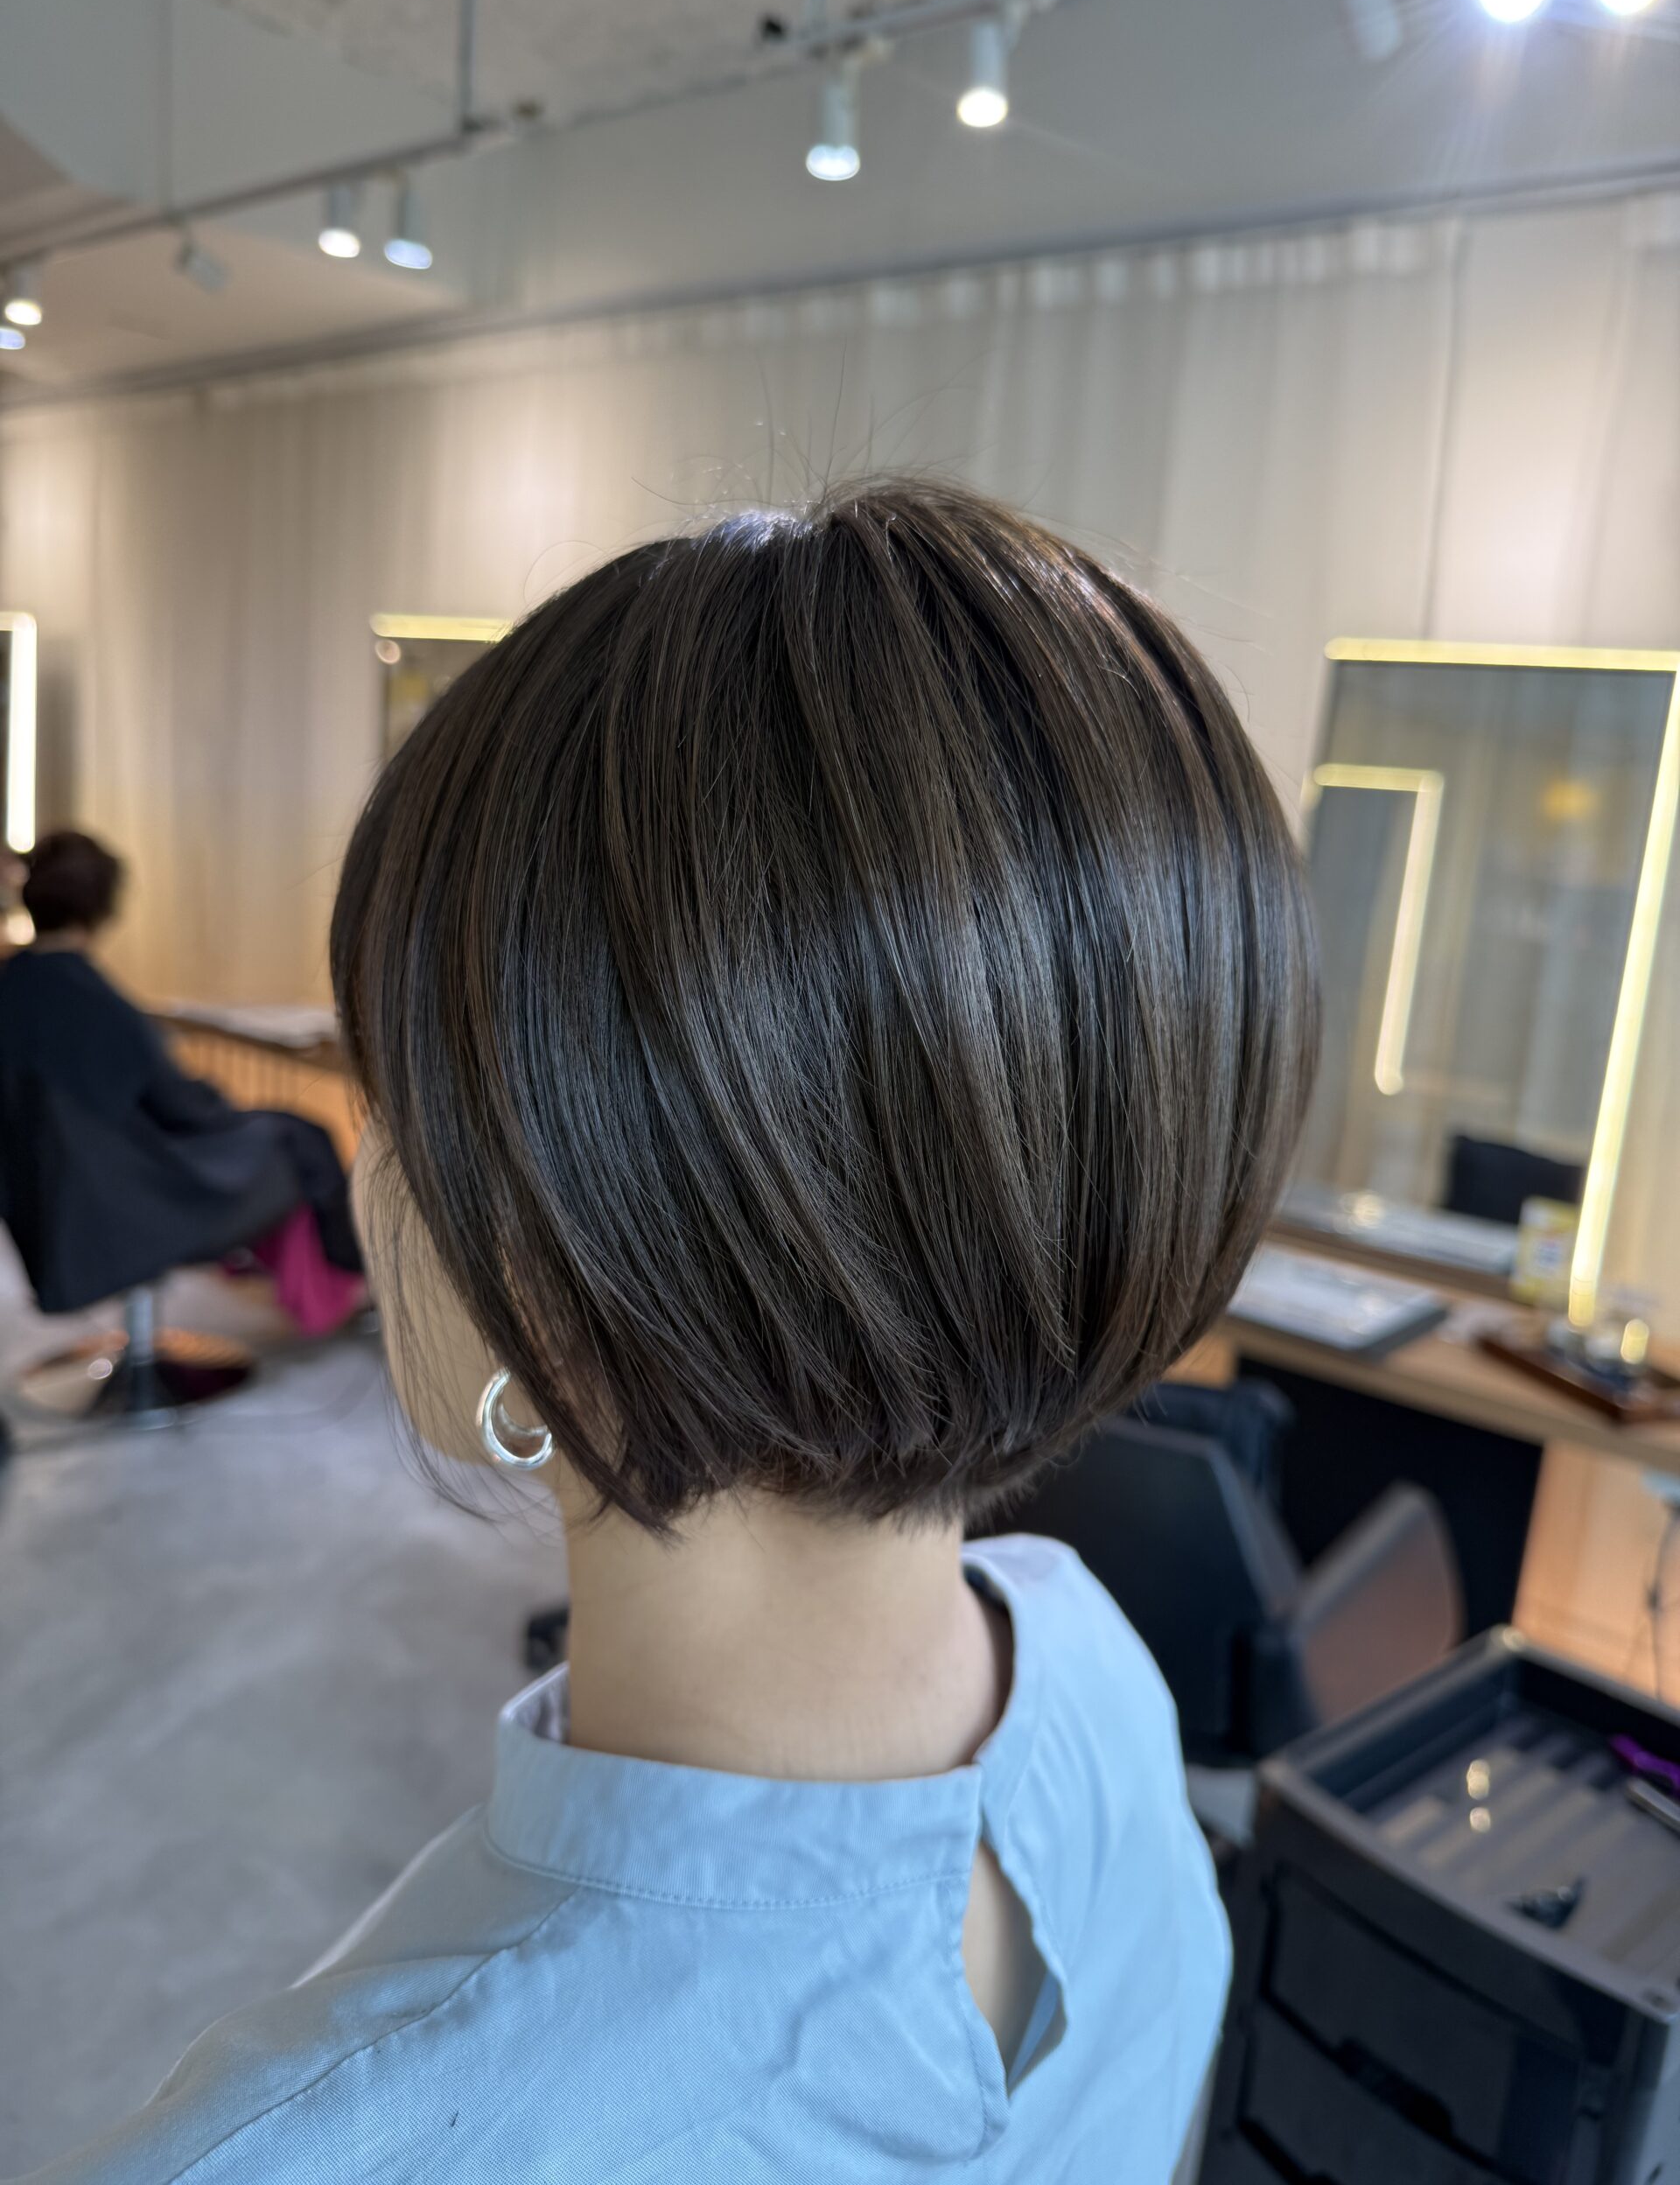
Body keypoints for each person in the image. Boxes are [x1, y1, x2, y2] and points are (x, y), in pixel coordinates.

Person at [18, 480, 1318, 2183]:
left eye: (386, 1087)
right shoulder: (1095, 1673)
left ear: (544, 1265)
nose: (368, 1164)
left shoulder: (301, 2152)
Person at [0, 829, 362, 1331]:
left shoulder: (14, 983)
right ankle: (355, 1280)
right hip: (124, 1200)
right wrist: (219, 1104)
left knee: (281, 1131)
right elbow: (182, 1107)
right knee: (301, 1137)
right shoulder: (91, 999)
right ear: (103, 906)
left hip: (52, 1205)